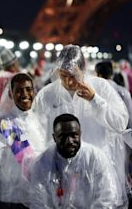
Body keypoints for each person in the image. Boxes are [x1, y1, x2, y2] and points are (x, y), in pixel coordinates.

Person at [34, 44, 129, 206]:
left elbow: (120, 122)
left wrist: (95, 100)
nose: (69, 81)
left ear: (83, 70)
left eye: (74, 75)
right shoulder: (47, 95)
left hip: (98, 171)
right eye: (63, 76)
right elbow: (37, 131)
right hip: (59, 172)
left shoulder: (101, 87)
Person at [29, 113, 119, 208]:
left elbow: (108, 197)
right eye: (63, 136)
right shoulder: (43, 163)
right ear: (54, 137)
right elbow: (38, 202)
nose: (69, 141)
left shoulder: (96, 158)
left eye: (74, 135)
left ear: (80, 134)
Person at [0, 73, 47, 208]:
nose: (25, 94)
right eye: (19, 90)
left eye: (28, 89)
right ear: (11, 94)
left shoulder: (39, 121)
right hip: (11, 200)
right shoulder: (5, 125)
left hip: (36, 198)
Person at [95, 60, 132, 128]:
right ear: (112, 74)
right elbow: (129, 116)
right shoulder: (123, 92)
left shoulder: (94, 93)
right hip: (121, 133)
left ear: (98, 75)